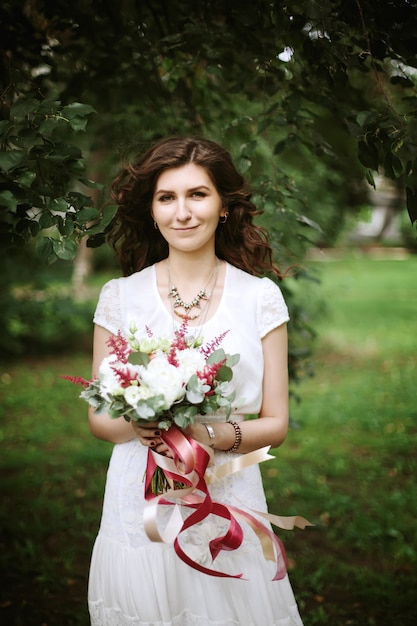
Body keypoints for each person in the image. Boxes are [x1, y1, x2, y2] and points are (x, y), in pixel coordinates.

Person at [87, 135, 304, 626]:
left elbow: (276, 423)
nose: (182, 212)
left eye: (197, 195)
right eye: (167, 197)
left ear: (223, 206)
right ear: (152, 209)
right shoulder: (120, 297)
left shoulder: (260, 298)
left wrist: (208, 437)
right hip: (136, 498)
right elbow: (100, 418)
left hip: (225, 490)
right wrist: (143, 426)